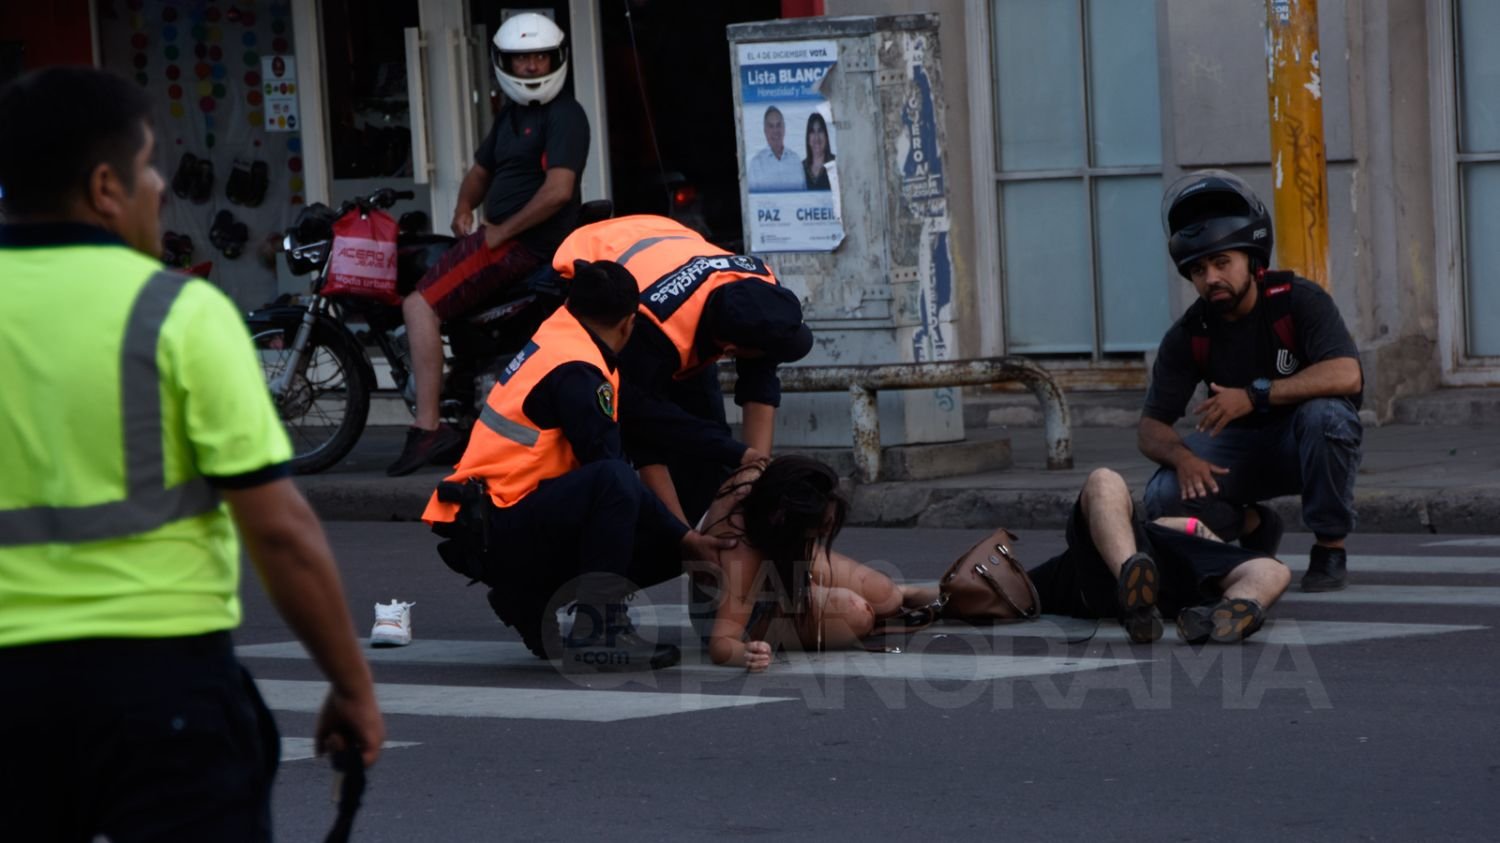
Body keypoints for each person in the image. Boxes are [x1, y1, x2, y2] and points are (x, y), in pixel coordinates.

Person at [0, 67, 383, 841]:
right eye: (148, 167)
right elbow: (280, 532)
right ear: (105, 187)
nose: (161, 188)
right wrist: (351, 686)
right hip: (161, 686)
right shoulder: (177, 313)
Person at [422, 259, 733, 672]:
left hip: (494, 520)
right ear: (629, 323)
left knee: (659, 531)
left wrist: (731, 460)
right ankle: (600, 630)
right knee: (617, 484)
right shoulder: (578, 369)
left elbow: (642, 423)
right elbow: (611, 474)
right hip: (497, 527)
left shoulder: (561, 334)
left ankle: (530, 597)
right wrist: (685, 535)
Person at [1138, 169, 1363, 593]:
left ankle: (1329, 547)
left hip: (1303, 443)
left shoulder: (1298, 300)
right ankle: (1253, 524)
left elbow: (1346, 373)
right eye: (1199, 269)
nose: (1211, 278)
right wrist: (1183, 459)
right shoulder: (1190, 333)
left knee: (1328, 416)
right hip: (1237, 451)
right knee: (1162, 495)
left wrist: (1254, 395)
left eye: (1222, 263)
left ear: (1251, 259)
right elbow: (1150, 427)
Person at [389, 12, 591, 476]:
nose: (532, 67)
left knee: (418, 306)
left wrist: (501, 231)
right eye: (521, 59)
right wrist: (464, 206)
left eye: (540, 57)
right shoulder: (510, 117)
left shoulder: (565, 115)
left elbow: (558, 190)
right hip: (504, 238)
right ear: (505, 63)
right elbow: (481, 170)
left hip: (523, 245)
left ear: (556, 59)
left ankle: (428, 426)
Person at [552, 214, 815, 526]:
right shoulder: (651, 331)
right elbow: (642, 425)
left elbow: (760, 383)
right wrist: (682, 536)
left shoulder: (760, 289)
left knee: (711, 441)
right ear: (729, 349)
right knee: (656, 430)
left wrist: (752, 472)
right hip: (592, 255)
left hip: (658, 240)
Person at [690, 456, 939, 671]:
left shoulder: (763, 480)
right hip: (741, 613)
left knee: (886, 595)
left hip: (775, 560)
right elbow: (722, 643)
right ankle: (809, 599)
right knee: (857, 614)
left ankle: (908, 593)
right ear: (788, 524)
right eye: (818, 529)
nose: (826, 532)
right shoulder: (741, 551)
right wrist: (746, 654)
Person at [1028, 468, 1292, 644]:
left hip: (1180, 588)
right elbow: (1020, 591)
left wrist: (1198, 532)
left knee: (1275, 570)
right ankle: (1132, 586)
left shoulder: (1209, 547)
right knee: (1104, 480)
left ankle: (1215, 617)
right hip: (1122, 563)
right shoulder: (1178, 534)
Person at [747, 105, 805, 192]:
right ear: (765, 130)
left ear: (784, 128)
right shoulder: (756, 164)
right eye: (771, 126)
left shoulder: (795, 160)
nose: (775, 131)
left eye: (778, 125)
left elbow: (805, 195)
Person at [802, 112, 835, 191]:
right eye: (812, 132)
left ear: (826, 136)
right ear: (808, 138)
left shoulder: (836, 165)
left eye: (820, 131)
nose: (816, 137)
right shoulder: (801, 169)